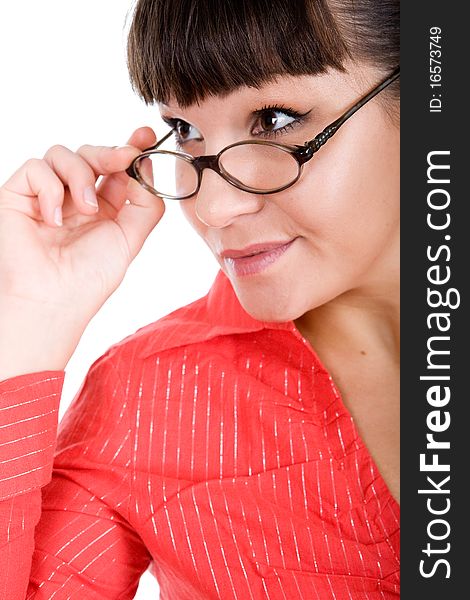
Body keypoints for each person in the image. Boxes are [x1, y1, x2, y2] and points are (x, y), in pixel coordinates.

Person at [0, 0, 400, 598]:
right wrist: (29, 316)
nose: (212, 208)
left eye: (276, 118)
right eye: (185, 131)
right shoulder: (150, 401)